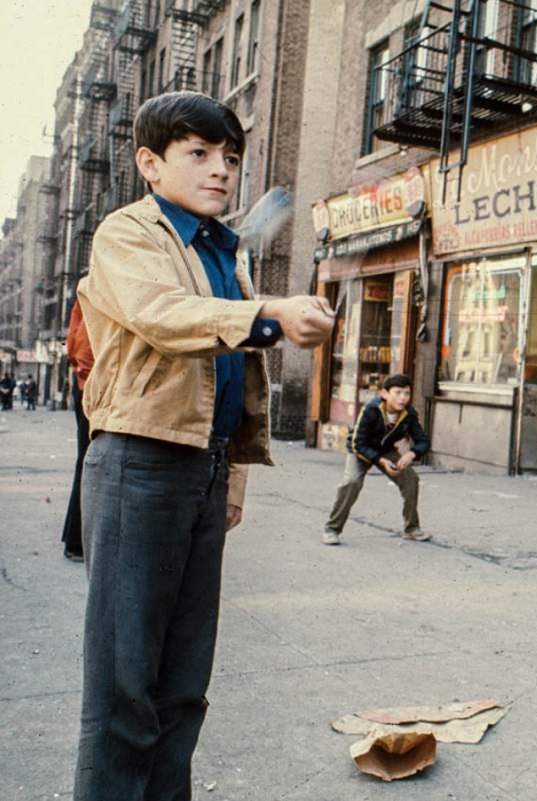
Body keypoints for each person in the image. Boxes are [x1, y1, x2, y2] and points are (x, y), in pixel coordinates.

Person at [72, 91, 333, 801]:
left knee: (184, 685)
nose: (221, 170)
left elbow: (228, 378)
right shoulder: (129, 234)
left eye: (230, 157)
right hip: (138, 464)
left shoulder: (223, 249)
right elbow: (164, 315)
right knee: (125, 686)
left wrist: (233, 478)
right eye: (199, 154)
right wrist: (270, 312)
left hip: (202, 472)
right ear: (150, 164)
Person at [323, 373, 430, 545]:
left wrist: (412, 453)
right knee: (352, 482)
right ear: (385, 393)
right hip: (361, 451)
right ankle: (332, 529)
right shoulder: (371, 409)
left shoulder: (409, 413)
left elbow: (423, 441)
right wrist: (380, 461)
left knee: (411, 479)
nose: (403, 398)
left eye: (407, 393)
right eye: (397, 392)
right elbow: (358, 442)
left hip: (386, 450)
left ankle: (411, 528)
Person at [62, 299, 93, 562]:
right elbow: (81, 347)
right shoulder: (95, 283)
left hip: (85, 380)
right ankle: (75, 542)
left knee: (86, 460)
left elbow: (73, 344)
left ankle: (73, 538)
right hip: (91, 384)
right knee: (89, 461)